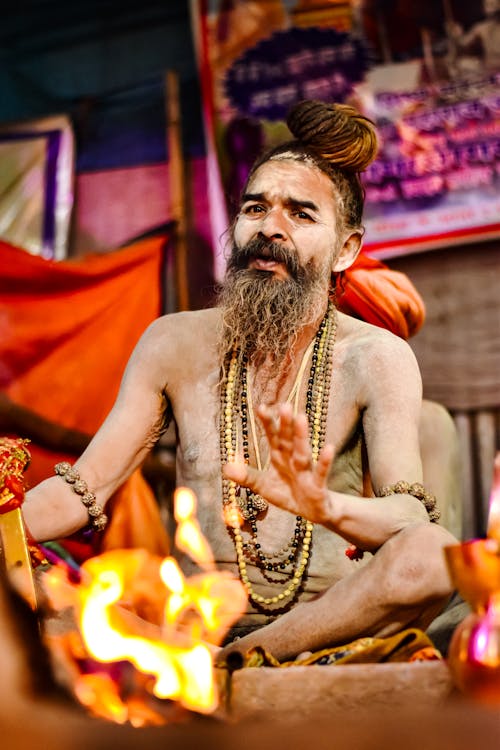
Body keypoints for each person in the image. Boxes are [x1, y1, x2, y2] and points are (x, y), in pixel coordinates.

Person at [22, 99, 456, 662]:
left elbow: (408, 515)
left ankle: (239, 664)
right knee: (31, 589)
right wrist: (9, 522)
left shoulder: (377, 356)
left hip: (333, 630)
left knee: (433, 553)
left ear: (346, 248)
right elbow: (85, 489)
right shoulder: (172, 342)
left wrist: (323, 506)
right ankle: (219, 663)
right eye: (256, 208)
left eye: (301, 214)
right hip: (190, 627)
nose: (270, 227)